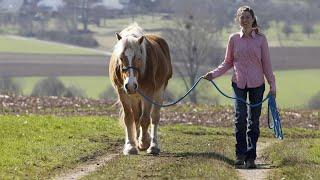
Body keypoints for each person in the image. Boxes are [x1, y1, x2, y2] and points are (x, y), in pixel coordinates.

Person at [203, 6, 276, 169]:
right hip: (238, 83)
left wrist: (273, 85)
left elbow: (267, 65)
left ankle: (251, 156)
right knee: (240, 117)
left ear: (253, 19)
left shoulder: (261, 40)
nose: (245, 20)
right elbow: (228, 62)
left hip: (257, 84)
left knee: (253, 121)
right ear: (238, 20)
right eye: (242, 17)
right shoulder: (233, 39)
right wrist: (213, 74)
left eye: (248, 17)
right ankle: (240, 154)